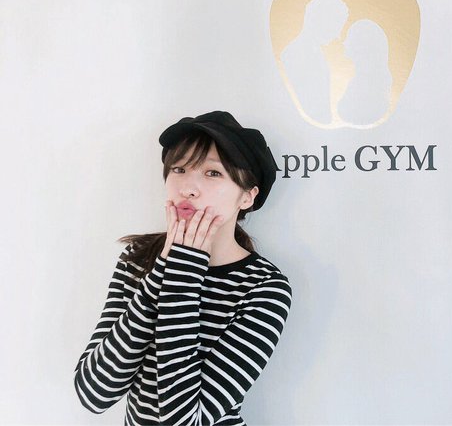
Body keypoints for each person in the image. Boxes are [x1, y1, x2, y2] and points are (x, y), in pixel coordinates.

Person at [73, 111, 292, 426]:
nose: (188, 187)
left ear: (247, 196)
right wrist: (164, 268)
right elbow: (94, 393)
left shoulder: (263, 288)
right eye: (179, 169)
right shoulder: (138, 259)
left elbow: (184, 420)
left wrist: (183, 274)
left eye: (213, 173)